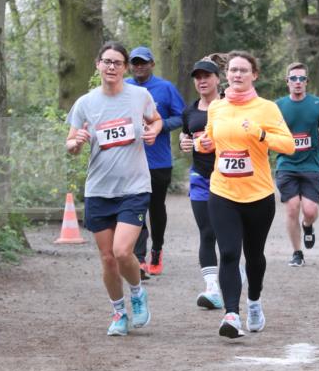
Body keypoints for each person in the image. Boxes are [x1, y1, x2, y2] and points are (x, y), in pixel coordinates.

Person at [66, 41, 162, 336]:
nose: (111, 67)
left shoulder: (140, 95)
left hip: (134, 186)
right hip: (98, 189)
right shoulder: (85, 103)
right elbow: (70, 145)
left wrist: (153, 131)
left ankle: (137, 292)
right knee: (107, 258)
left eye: (117, 63)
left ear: (125, 68)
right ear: (98, 65)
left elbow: (156, 120)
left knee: (122, 251)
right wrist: (77, 142)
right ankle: (119, 313)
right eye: (106, 62)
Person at [197, 50, 295, 338]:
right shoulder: (216, 107)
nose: (237, 75)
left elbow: (288, 146)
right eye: (232, 70)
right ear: (225, 75)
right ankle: (231, 314)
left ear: (254, 75)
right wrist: (203, 143)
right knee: (228, 252)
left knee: (254, 257)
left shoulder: (267, 108)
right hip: (223, 191)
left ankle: (253, 301)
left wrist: (261, 134)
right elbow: (211, 139)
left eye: (243, 70)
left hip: (258, 195)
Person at [126, 46, 185, 277]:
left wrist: (159, 127)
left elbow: (181, 116)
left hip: (158, 160)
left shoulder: (165, 88)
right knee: (136, 206)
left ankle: (157, 250)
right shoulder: (125, 88)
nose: (139, 66)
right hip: (130, 159)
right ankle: (139, 258)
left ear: (152, 64)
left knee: (156, 207)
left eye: (143, 62)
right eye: (135, 62)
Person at [275, 62, 319, 266]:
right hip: (286, 163)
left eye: (301, 79)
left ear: (307, 82)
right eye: (293, 78)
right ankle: (297, 253)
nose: (297, 82)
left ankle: (308, 226)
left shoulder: (317, 104)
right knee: (292, 207)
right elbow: (270, 130)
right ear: (287, 81)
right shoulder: (278, 105)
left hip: (311, 164)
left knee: (309, 211)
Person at [179, 58, 224, 310]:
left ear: (218, 79)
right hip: (200, 178)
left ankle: (231, 268)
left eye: (207, 76)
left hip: (228, 179)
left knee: (225, 233)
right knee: (206, 232)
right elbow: (185, 137)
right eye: (197, 77)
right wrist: (182, 143)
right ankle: (212, 288)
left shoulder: (229, 107)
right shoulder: (190, 111)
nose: (202, 81)